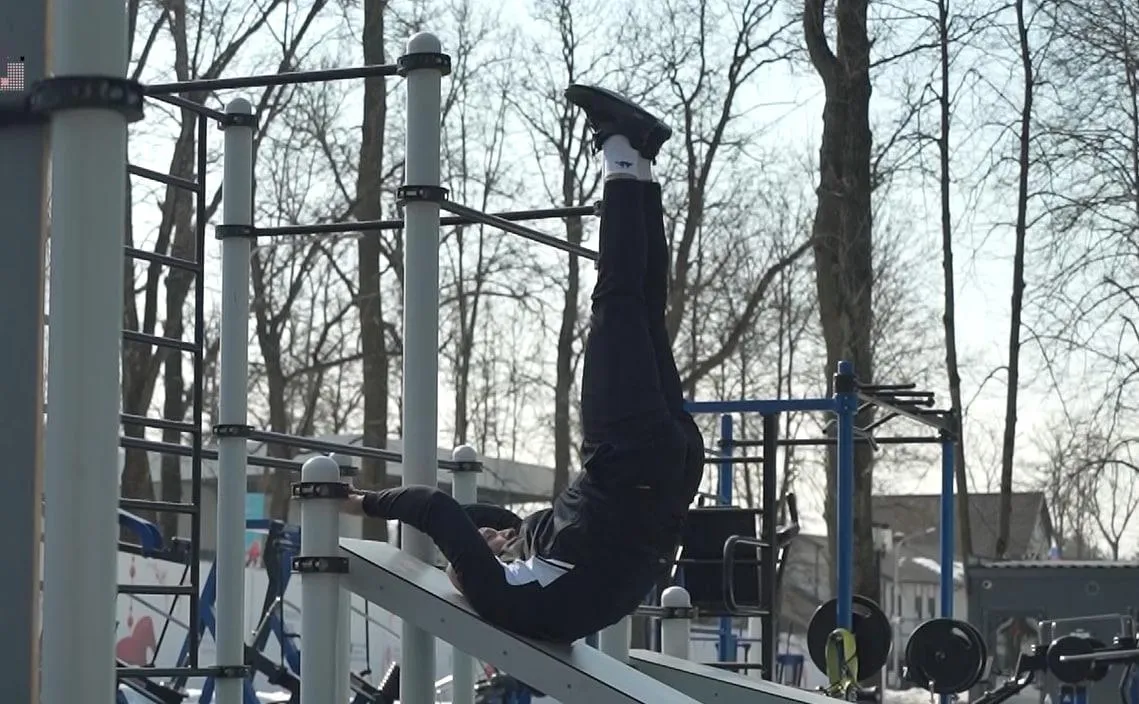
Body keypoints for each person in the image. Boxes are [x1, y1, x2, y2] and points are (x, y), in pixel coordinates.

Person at [343, 85, 705, 643]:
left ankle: (640, 162)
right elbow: (436, 510)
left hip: (665, 478)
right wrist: (363, 503)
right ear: (465, 578)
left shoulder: (541, 584)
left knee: (642, 307)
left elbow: (494, 520)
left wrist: (486, 537)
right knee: (616, 301)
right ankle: (620, 148)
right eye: (482, 557)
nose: (495, 545)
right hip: (628, 463)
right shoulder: (505, 597)